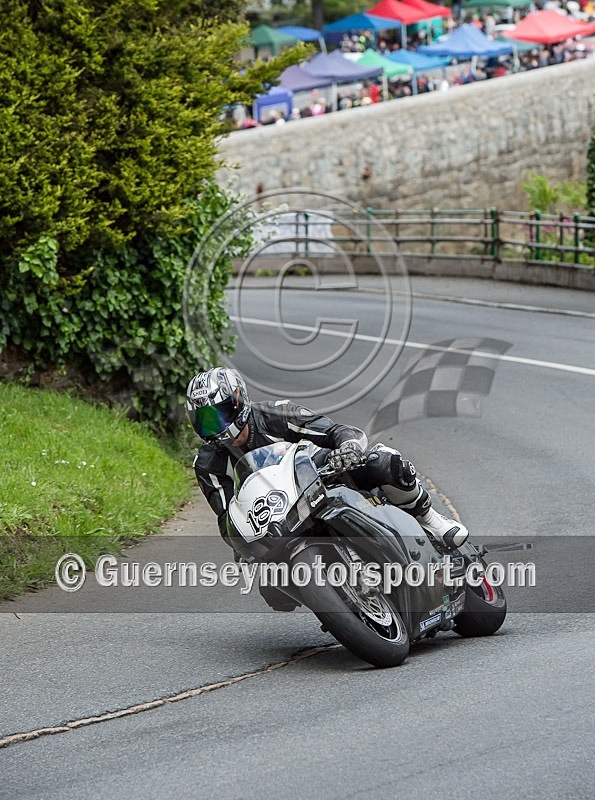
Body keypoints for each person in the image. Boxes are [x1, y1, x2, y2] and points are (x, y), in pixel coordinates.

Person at [187, 368, 469, 551]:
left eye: (219, 415)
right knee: (272, 587)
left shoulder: (276, 414)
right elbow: (227, 518)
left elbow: (335, 431)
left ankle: (429, 518)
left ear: (238, 401)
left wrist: (348, 449)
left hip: (322, 477)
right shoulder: (207, 464)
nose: (215, 427)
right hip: (278, 519)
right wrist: (243, 543)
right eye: (205, 421)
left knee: (386, 463)